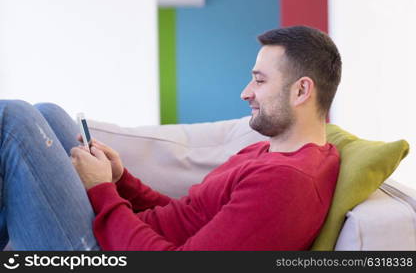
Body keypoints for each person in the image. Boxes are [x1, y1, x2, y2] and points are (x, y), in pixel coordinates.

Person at [0, 25, 341, 250]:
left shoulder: (287, 183)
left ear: (301, 91)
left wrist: (101, 190)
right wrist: (121, 181)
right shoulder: (269, 152)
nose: (246, 92)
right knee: (48, 113)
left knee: (13, 120)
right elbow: (185, 215)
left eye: (260, 81)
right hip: (124, 236)